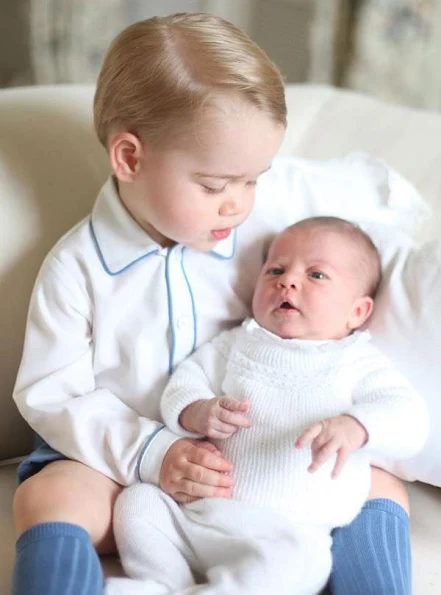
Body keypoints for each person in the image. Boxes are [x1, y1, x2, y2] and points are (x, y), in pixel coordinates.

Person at [10, 12, 416, 595]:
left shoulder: (264, 223)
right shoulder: (77, 269)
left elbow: (352, 197)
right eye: (214, 185)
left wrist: (395, 199)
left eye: (253, 180)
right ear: (130, 159)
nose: (239, 205)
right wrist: (152, 451)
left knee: (379, 485)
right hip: (113, 459)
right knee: (47, 496)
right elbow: (53, 395)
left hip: (253, 460)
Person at [106, 217, 428, 594]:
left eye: (316, 275)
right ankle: (161, 581)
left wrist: (356, 426)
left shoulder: (356, 361)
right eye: (275, 269)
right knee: (138, 502)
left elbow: (410, 418)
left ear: (357, 312)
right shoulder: (236, 344)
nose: (287, 280)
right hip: (199, 516)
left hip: (288, 532)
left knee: (305, 562)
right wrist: (196, 409)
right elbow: (184, 383)